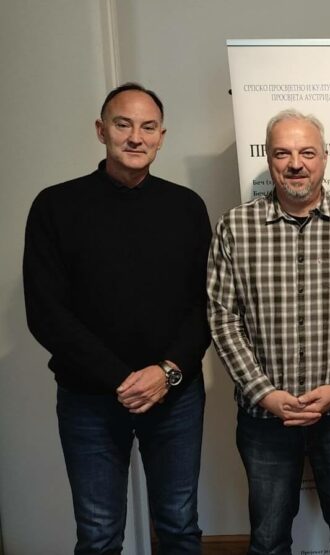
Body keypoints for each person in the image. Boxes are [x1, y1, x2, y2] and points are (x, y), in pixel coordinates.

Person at [23, 82, 211, 554]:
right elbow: (46, 313)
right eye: (122, 124)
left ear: (162, 136)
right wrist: (122, 379)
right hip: (90, 399)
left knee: (179, 528)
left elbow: (208, 305)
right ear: (100, 130)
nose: (135, 137)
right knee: (100, 534)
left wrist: (166, 374)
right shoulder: (55, 206)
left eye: (148, 127)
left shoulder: (186, 207)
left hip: (174, 398)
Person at [207, 109, 330, 554]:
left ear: (325, 158)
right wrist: (263, 392)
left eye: (307, 152)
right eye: (282, 153)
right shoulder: (234, 227)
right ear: (268, 158)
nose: (295, 163)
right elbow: (223, 317)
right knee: (267, 539)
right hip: (265, 419)